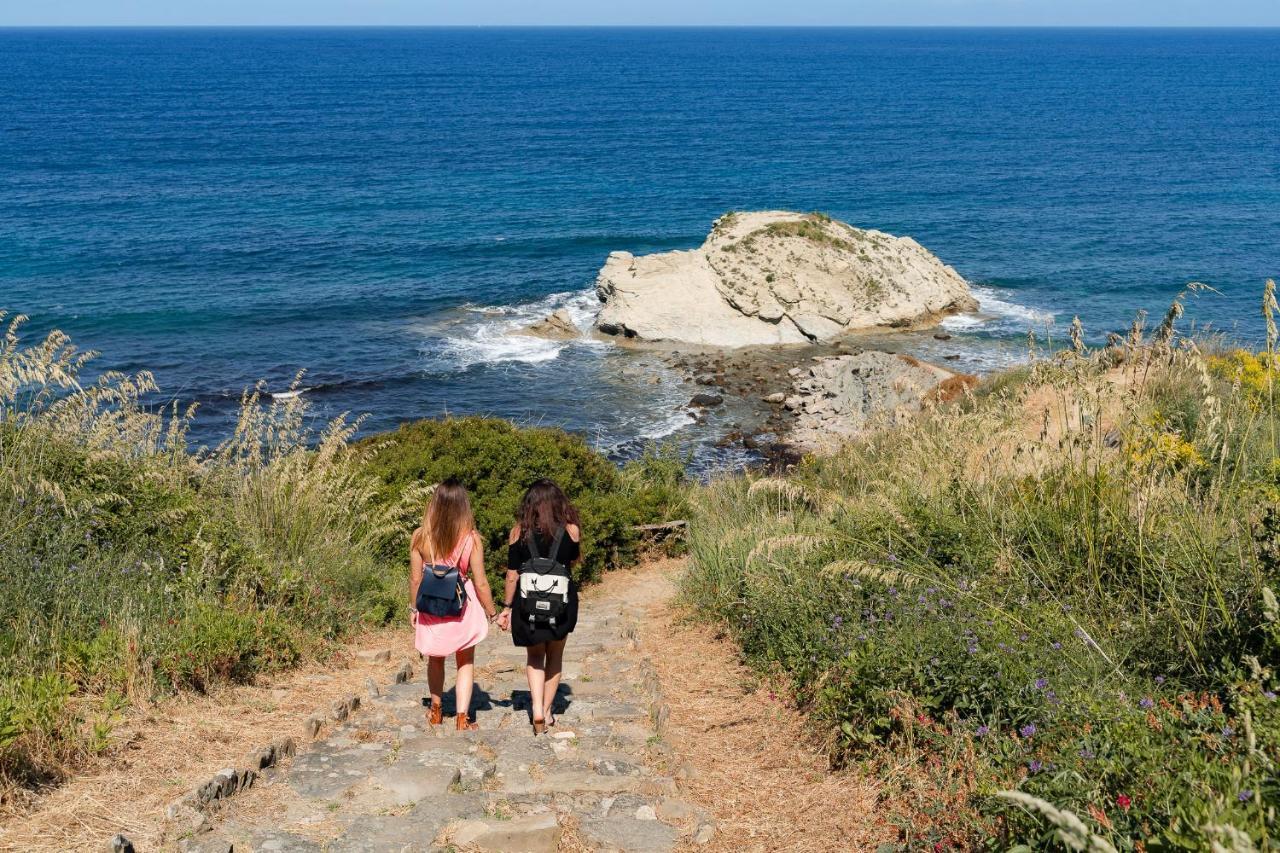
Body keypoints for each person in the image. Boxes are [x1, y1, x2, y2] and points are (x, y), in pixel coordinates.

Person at [409, 478, 498, 731]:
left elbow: (415, 579)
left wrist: (414, 609)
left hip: (431, 605)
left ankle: (436, 711)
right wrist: (492, 613)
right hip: (461, 606)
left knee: (435, 659)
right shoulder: (472, 539)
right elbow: (481, 583)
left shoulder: (419, 537)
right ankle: (462, 718)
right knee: (465, 661)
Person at [496, 479, 581, 735]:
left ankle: (534, 708)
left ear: (529, 504)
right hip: (561, 606)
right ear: (559, 503)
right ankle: (546, 711)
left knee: (534, 657)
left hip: (527, 605)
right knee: (555, 656)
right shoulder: (572, 531)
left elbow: (512, 575)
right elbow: (571, 564)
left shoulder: (517, 532)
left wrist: (506, 608)